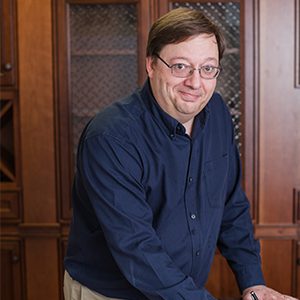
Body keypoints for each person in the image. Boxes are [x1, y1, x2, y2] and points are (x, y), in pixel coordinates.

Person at [63, 7, 298, 300]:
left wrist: (254, 283)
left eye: (207, 68)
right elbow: (138, 249)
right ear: (151, 64)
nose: (195, 82)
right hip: (111, 294)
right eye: (180, 66)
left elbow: (230, 204)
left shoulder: (218, 114)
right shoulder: (111, 138)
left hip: (181, 291)